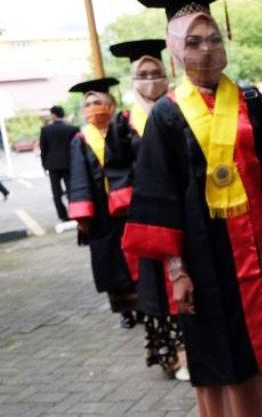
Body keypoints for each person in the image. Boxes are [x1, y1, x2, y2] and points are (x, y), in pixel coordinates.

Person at [121, 0, 262, 417]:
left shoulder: (250, 100)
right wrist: (176, 271)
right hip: (205, 259)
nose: (206, 49)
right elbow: (160, 197)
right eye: (193, 41)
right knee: (223, 345)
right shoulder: (167, 115)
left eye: (213, 38)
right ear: (175, 50)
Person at [106, 39, 189, 381]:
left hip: (185, 212)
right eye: (143, 74)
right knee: (159, 290)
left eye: (156, 72)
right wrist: (136, 205)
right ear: (132, 80)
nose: (151, 79)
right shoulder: (123, 123)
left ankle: (197, 350)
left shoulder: (181, 108)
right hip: (149, 218)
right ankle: (176, 356)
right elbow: (116, 169)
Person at [67, 78, 138, 329]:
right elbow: (79, 177)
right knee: (111, 261)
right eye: (87, 104)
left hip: (130, 206)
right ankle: (125, 311)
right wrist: (83, 214)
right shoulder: (81, 139)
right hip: (101, 213)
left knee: (137, 255)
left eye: (97, 102)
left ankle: (144, 303)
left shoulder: (125, 129)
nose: (92, 108)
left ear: (110, 104)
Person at [40, 106, 80, 220]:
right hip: (69, 164)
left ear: (54, 114)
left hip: (52, 165)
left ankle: (63, 216)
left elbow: (44, 149)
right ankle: (76, 212)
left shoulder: (45, 129)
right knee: (71, 190)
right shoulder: (73, 129)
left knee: (56, 193)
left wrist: (44, 165)